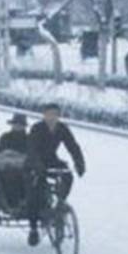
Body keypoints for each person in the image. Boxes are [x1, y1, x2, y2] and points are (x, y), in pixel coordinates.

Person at [26, 103, 86, 246]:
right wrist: (38, 166)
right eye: (49, 114)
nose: (52, 117)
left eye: (55, 114)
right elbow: (32, 149)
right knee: (35, 190)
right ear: (44, 115)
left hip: (51, 160)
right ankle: (33, 228)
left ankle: (60, 204)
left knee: (67, 176)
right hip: (34, 162)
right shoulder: (37, 128)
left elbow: (73, 146)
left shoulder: (62, 129)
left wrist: (79, 163)